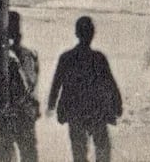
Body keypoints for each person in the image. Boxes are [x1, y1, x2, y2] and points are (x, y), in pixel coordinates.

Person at [47, 16, 123, 162]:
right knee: (102, 149)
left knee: (79, 152)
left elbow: (57, 83)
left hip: (75, 111)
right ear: (92, 34)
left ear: (76, 33)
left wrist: (52, 104)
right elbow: (110, 83)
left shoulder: (66, 58)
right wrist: (117, 104)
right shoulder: (99, 58)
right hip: (97, 111)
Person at [4, 11, 40, 162]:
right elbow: (31, 83)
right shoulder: (28, 54)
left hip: (13, 110)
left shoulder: (11, 56)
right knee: (29, 151)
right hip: (24, 110)